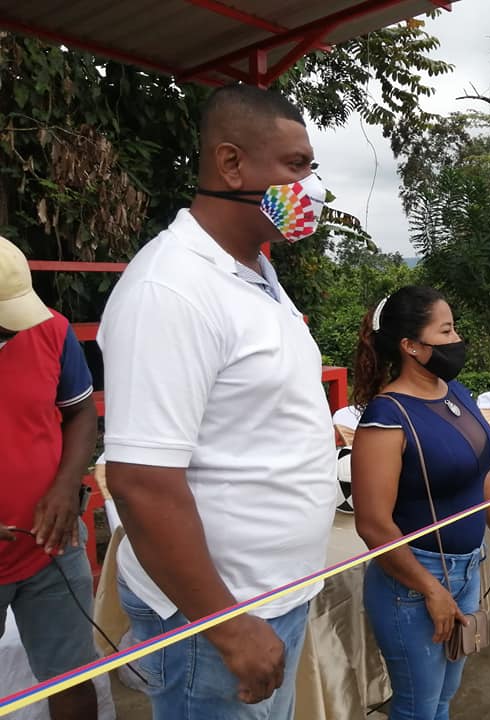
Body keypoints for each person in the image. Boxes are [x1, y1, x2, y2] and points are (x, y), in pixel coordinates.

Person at [97, 83, 338, 719]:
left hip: (270, 598)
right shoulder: (171, 290)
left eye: (310, 167)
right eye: (295, 165)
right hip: (217, 620)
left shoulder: (256, 274)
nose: (311, 187)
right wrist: (227, 626)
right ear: (231, 164)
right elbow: (142, 483)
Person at [350, 285, 490, 720]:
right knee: (417, 707)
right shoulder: (387, 417)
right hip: (412, 584)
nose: (456, 339)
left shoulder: (454, 391)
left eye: (453, 328)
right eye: (445, 331)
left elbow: (478, 472)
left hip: (466, 570)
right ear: (411, 346)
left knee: (444, 695)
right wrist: (430, 589)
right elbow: (373, 524)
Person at [0, 236, 99, 720]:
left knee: (74, 681)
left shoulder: (51, 330)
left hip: (51, 547)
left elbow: (80, 413)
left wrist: (64, 485)